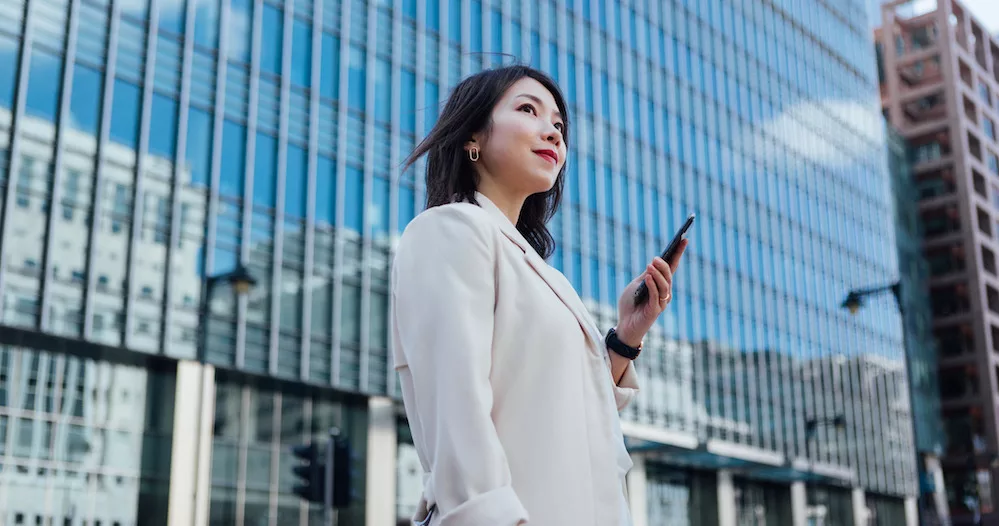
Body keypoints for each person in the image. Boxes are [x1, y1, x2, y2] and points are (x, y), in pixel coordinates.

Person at [391, 64, 688, 526]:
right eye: (528, 109)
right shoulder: (449, 230)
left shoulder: (546, 277)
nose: (552, 131)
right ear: (473, 137)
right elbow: (457, 410)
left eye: (559, 125)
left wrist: (626, 337)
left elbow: (564, 411)